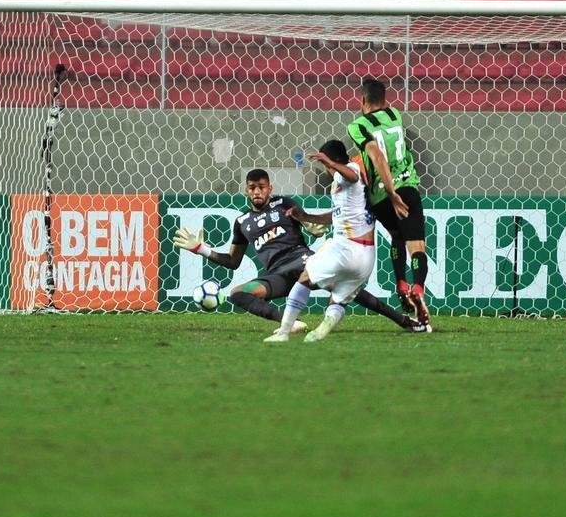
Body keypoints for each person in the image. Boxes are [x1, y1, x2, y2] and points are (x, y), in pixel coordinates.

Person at [173, 168, 421, 334]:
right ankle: (287, 323)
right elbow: (233, 261)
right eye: (252, 188)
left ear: (270, 188)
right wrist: (201, 249)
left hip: (303, 261)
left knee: (348, 288)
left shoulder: (284, 204)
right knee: (238, 293)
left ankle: (402, 320)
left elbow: (307, 222)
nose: (257, 192)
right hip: (277, 275)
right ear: (246, 190)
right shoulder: (242, 221)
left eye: (261, 187)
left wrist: (312, 227)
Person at [265, 140, 377, 343]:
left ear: (332, 162)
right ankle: (319, 332)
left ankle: (283, 332)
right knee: (338, 299)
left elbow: (351, 176)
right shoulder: (348, 188)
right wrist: (306, 216)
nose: (325, 170)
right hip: (366, 257)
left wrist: (330, 163)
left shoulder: (351, 170)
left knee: (305, 277)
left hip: (347, 247)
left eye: (325, 165)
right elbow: (336, 216)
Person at [347, 77, 432, 327]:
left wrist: (389, 193)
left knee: (396, 235)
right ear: (385, 100)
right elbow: (383, 152)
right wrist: (397, 191)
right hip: (407, 188)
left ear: (362, 100)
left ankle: (400, 283)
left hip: (381, 197)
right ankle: (417, 287)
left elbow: (375, 154)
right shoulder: (395, 114)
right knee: (416, 246)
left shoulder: (357, 126)